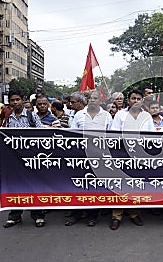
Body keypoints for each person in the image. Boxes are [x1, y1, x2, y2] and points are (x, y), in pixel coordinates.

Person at [66, 90, 113, 226]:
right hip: (81, 156)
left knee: (95, 186)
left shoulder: (107, 116)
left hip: (99, 156)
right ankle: (76, 214)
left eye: (95, 98)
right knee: (78, 185)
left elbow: (111, 136)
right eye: (90, 98)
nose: (92, 100)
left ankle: (92, 215)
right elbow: (73, 134)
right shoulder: (79, 115)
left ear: (100, 101)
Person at [109, 89, 154, 230]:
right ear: (128, 100)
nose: (135, 101)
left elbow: (152, 137)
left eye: (138, 98)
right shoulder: (120, 115)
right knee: (120, 185)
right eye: (133, 98)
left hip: (141, 156)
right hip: (123, 156)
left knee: (137, 185)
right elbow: (113, 134)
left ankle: (134, 213)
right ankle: (116, 216)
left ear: (142, 101)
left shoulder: (147, 116)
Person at [3, 90, 45, 228]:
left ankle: (38, 215)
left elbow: (41, 135)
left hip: (31, 158)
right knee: (15, 187)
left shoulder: (32, 116)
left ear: (23, 100)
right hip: (15, 160)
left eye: (17, 100)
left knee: (34, 186)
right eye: (12, 100)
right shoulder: (9, 118)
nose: (15, 103)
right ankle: (15, 216)